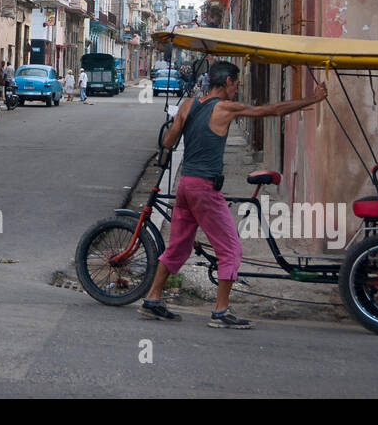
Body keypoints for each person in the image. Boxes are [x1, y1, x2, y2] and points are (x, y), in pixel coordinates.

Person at [138, 61, 327, 328]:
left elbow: (168, 142)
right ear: (227, 81)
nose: (236, 89)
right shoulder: (225, 108)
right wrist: (312, 99)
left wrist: (179, 123)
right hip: (205, 188)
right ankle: (220, 311)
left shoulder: (188, 105)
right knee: (230, 249)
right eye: (236, 84)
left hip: (185, 184)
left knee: (177, 247)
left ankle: (153, 299)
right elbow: (271, 110)